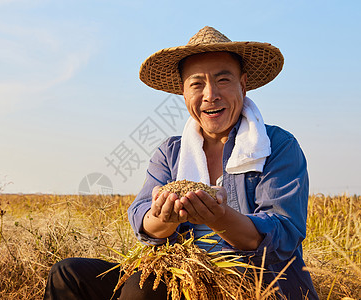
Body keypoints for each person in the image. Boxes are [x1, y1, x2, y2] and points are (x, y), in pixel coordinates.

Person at [44, 26, 318, 300]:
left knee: (142, 288)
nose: (210, 94)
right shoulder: (171, 152)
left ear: (242, 85)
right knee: (68, 274)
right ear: (184, 94)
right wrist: (165, 217)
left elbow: (282, 233)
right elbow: (143, 218)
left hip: (250, 285)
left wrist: (219, 217)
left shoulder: (276, 146)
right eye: (197, 84)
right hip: (182, 273)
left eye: (223, 80)